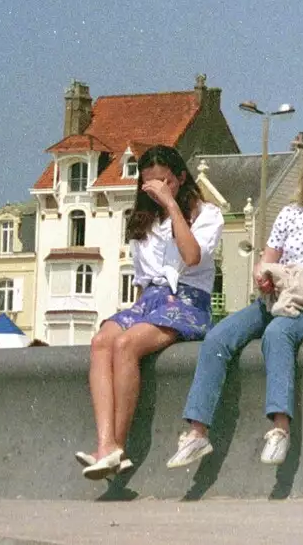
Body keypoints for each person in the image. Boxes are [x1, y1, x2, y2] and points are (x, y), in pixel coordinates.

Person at [166, 143, 303, 470]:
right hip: (274, 296)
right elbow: (266, 262)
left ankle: (280, 428)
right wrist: (262, 277)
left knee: (278, 334)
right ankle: (197, 432)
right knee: (218, 337)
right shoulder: (290, 214)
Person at [79, 144, 224, 480]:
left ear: (181, 178)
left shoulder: (207, 214)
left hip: (187, 300)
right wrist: (138, 310)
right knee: (103, 341)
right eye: (150, 186)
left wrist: (173, 207)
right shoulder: (142, 222)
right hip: (151, 300)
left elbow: (191, 257)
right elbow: (143, 283)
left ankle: (119, 444)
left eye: (165, 183)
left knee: (127, 345)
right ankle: (105, 445)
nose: (158, 192)